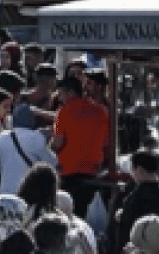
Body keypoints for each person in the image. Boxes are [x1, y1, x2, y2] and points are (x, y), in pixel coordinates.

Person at [52, 75, 109, 218]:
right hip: (94, 171)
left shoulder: (64, 112)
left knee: (68, 215)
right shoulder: (101, 111)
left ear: (70, 92)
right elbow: (106, 143)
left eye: (61, 94)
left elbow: (57, 143)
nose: (60, 99)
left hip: (69, 172)